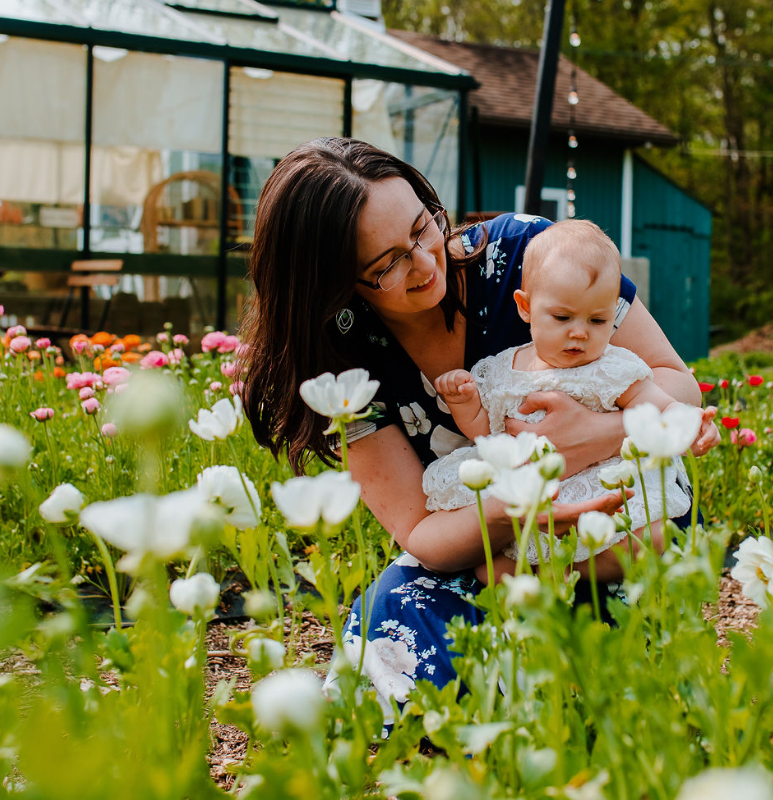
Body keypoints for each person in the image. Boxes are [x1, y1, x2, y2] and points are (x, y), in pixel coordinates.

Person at [241, 138, 720, 718]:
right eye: (386, 264)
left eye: (423, 226)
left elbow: (675, 381)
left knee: (608, 633)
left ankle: (562, 684)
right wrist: (518, 504)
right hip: (489, 545)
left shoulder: (535, 254)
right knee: (390, 623)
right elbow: (422, 532)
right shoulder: (339, 365)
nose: (425, 262)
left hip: (617, 512)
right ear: (333, 285)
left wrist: (597, 432)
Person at [425, 219, 710, 586]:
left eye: (598, 319)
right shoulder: (501, 369)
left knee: (655, 537)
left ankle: (568, 573)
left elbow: (659, 404)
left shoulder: (612, 366)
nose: (580, 332)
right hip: (538, 497)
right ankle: (543, 569)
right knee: (487, 569)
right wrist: (465, 402)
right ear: (525, 307)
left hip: (601, 487)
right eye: (562, 317)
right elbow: (486, 431)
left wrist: (691, 423)